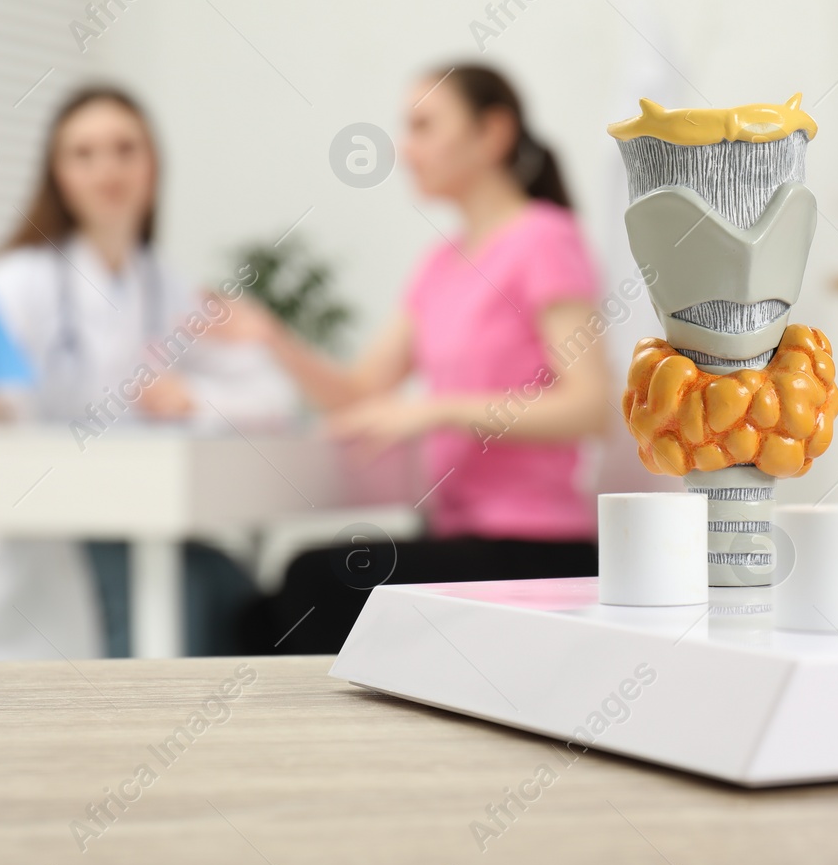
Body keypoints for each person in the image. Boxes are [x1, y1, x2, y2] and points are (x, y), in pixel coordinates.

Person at [0, 87, 295, 659]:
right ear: (57, 174)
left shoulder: (168, 289)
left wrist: (193, 397)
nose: (107, 169)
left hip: (126, 519)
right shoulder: (15, 282)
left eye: (124, 149)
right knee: (183, 592)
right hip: (29, 535)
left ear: (152, 164)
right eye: (83, 154)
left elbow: (272, 397)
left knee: (224, 586)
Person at [237, 65, 611, 653]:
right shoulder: (441, 264)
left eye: (423, 126)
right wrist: (271, 339)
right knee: (256, 610)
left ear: (492, 133)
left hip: (537, 544)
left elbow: (590, 406)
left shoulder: (545, 239)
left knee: (312, 582)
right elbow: (362, 391)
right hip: (456, 531)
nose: (405, 149)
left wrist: (437, 410)